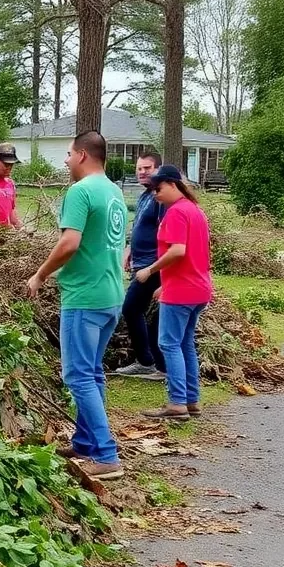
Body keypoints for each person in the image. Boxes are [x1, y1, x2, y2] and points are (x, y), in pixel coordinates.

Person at [27, 131, 128, 481]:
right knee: (93, 372)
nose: (66, 160)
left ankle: (105, 453)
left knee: (78, 375)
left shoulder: (81, 191)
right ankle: (85, 441)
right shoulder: (114, 192)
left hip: (84, 297)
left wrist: (40, 275)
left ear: (83, 155)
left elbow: (69, 242)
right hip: (112, 295)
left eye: (69, 154)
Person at [134, 164, 213, 420]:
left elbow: (178, 250)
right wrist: (164, 283)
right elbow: (191, 256)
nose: (155, 192)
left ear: (172, 184)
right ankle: (192, 400)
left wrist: (149, 270)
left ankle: (177, 403)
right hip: (198, 288)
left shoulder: (176, 212)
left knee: (168, 343)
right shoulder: (195, 210)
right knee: (185, 343)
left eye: (158, 187)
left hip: (182, 292)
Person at [114, 151, 166, 380]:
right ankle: (153, 361)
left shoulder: (160, 198)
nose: (142, 172)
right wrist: (129, 249)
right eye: (139, 168)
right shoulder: (146, 195)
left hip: (152, 266)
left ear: (158, 169)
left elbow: (167, 234)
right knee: (139, 312)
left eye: (148, 168)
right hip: (140, 262)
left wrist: (157, 268)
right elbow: (138, 226)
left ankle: (147, 361)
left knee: (131, 308)